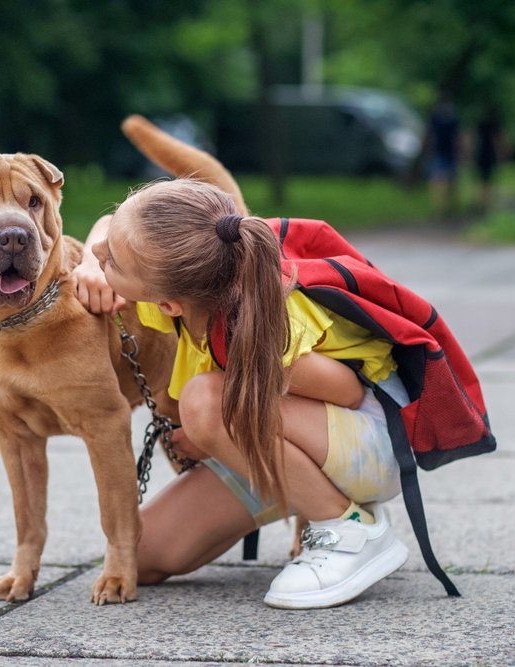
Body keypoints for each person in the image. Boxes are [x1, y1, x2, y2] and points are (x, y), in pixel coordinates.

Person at [70, 178, 411, 609]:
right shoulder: (193, 286)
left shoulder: (263, 318)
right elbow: (105, 226)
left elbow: (345, 392)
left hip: (376, 439)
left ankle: (350, 528)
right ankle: (309, 493)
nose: (100, 256)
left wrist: (213, 423)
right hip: (287, 439)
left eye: (112, 263)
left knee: (204, 402)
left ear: (166, 304)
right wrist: (88, 258)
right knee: (141, 554)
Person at [425, 93, 460, 220]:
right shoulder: (453, 119)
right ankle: (447, 206)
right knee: (449, 181)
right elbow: (456, 138)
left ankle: (438, 207)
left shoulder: (434, 118)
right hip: (449, 152)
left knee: (436, 181)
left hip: (437, 151)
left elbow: (430, 135)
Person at [475, 104, 505, 214]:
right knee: (489, 179)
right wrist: (501, 153)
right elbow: (497, 139)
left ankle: (482, 200)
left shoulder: (480, 123)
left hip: (480, 152)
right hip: (489, 153)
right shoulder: (494, 124)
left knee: (482, 179)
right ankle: (488, 203)